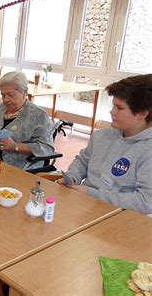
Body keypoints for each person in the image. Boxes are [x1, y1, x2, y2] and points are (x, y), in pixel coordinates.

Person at [58, 74, 152, 215]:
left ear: (142, 114)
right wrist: (72, 177)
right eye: (113, 105)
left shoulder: (148, 150)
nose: (112, 112)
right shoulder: (102, 135)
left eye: (119, 108)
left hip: (117, 217)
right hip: (83, 205)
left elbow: (145, 201)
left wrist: (92, 193)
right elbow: (82, 161)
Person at [0, 71, 54, 170]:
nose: (6, 100)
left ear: (24, 92)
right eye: (3, 95)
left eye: (11, 95)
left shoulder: (38, 116)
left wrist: (15, 146)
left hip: (16, 168)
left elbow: (47, 148)